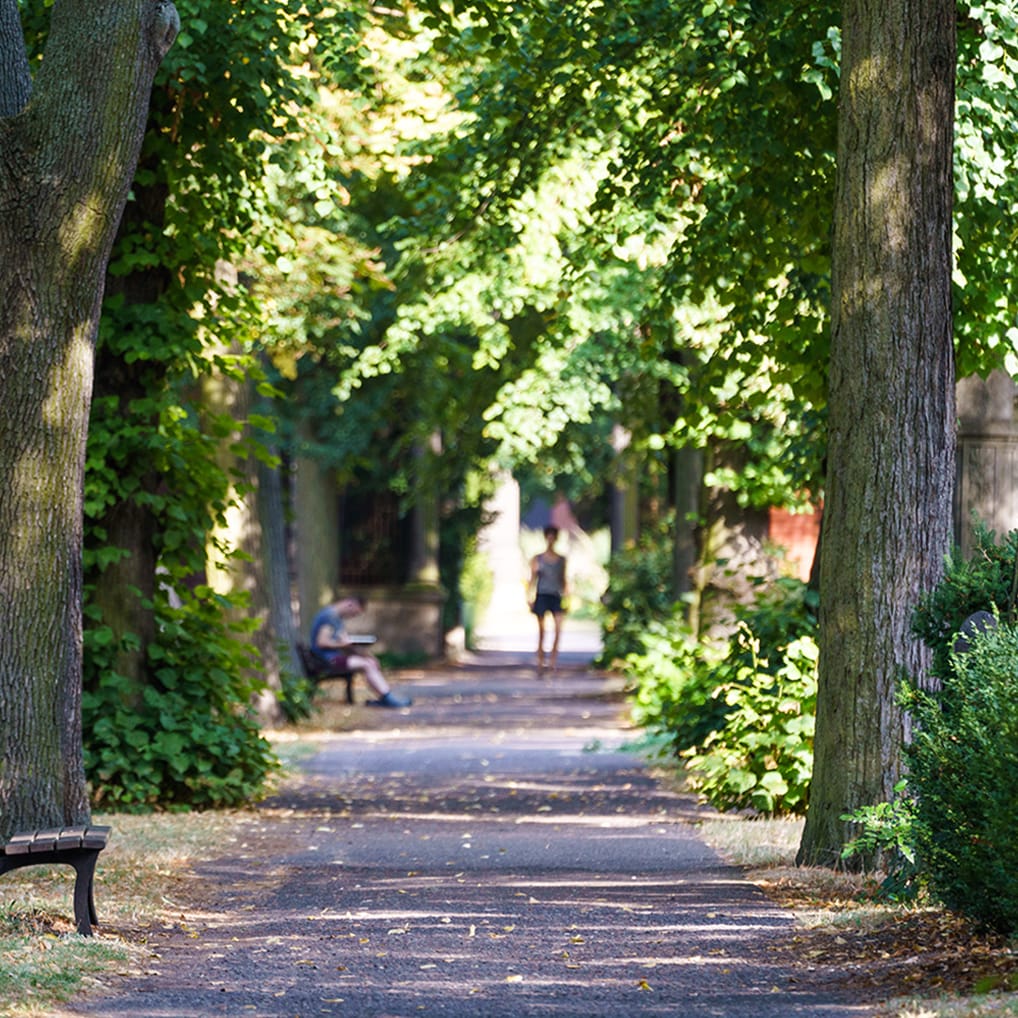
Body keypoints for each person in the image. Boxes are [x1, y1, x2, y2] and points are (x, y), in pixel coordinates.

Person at [309, 594, 412, 708]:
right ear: (350, 604)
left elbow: (345, 643)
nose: (353, 616)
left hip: (332, 658)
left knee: (369, 662)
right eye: (354, 613)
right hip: (326, 660)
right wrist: (342, 644)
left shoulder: (336, 618)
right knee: (366, 665)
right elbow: (321, 642)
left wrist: (368, 655)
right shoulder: (329, 617)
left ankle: (385, 697)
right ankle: (388, 699)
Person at [528, 526, 568, 674]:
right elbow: (532, 579)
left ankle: (552, 662)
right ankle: (540, 661)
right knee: (542, 631)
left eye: (553, 536)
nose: (551, 539)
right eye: (549, 536)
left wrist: (567, 597)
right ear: (546, 538)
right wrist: (529, 596)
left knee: (558, 629)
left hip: (556, 596)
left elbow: (563, 579)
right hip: (542, 595)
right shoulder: (537, 559)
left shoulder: (562, 560)